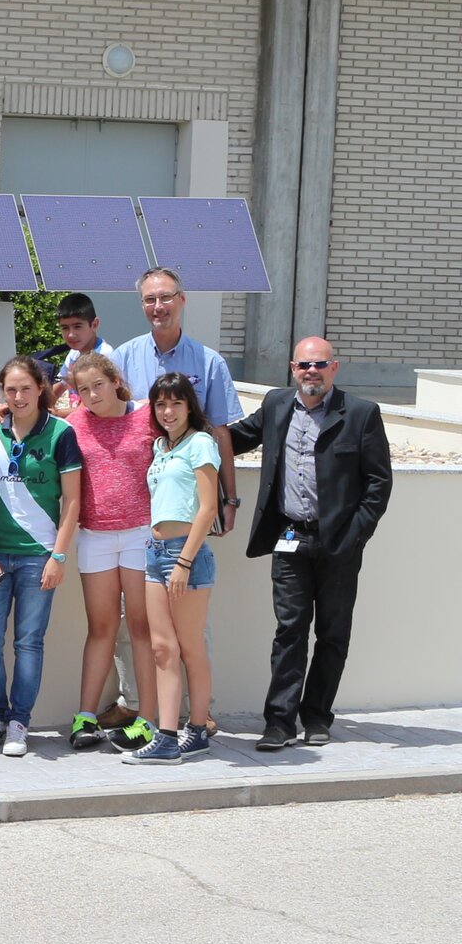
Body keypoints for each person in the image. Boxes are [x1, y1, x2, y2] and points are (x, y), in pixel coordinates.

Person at [226, 338, 393, 750]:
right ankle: (279, 722)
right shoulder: (277, 404)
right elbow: (234, 438)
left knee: (333, 633)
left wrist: (356, 535)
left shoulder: (360, 414)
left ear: (334, 368)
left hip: (339, 543)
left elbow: (378, 481)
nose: (311, 371)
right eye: (304, 365)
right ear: (292, 368)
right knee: (289, 630)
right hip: (289, 537)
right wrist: (177, 429)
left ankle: (317, 715)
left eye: (320, 364)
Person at [0, 357, 81, 757]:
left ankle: (19, 723)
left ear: (41, 389)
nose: (17, 397)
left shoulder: (61, 433)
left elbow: (72, 501)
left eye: (25, 389)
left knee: (28, 643)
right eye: (10, 390)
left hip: (39, 556)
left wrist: (59, 556)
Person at [64, 353, 159, 751]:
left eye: (97, 385)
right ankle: (84, 717)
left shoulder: (148, 416)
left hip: (141, 534)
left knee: (141, 628)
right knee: (101, 628)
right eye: (83, 389)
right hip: (95, 536)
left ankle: (149, 720)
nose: (91, 394)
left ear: (115, 379)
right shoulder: (72, 423)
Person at [125, 373, 221, 765]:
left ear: (189, 406)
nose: (167, 411)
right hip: (155, 551)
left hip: (187, 555)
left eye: (175, 404)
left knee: (190, 646)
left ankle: (196, 728)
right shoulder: (160, 446)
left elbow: (208, 507)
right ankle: (166, 735)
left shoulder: (201, 443)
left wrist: (183, 562)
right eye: (160, 404)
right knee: (162, 648)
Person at [114, 266, 244, 533]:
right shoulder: (122, 359)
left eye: (166, 297)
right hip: (133, 494)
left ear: (182, 300)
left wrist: (229, 499)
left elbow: (220, 433)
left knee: (181, 570)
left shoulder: (209, 362)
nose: (158, 306)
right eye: (150, 299)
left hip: (186, 498)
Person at [51, 294, 115, 416]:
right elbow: (58, 387)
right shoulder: (74, 353)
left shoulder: (104, 356)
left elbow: (88, 408)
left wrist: (54, 414)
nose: (71, 334)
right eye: (65, 328)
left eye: (77, 327)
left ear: (94, 324)